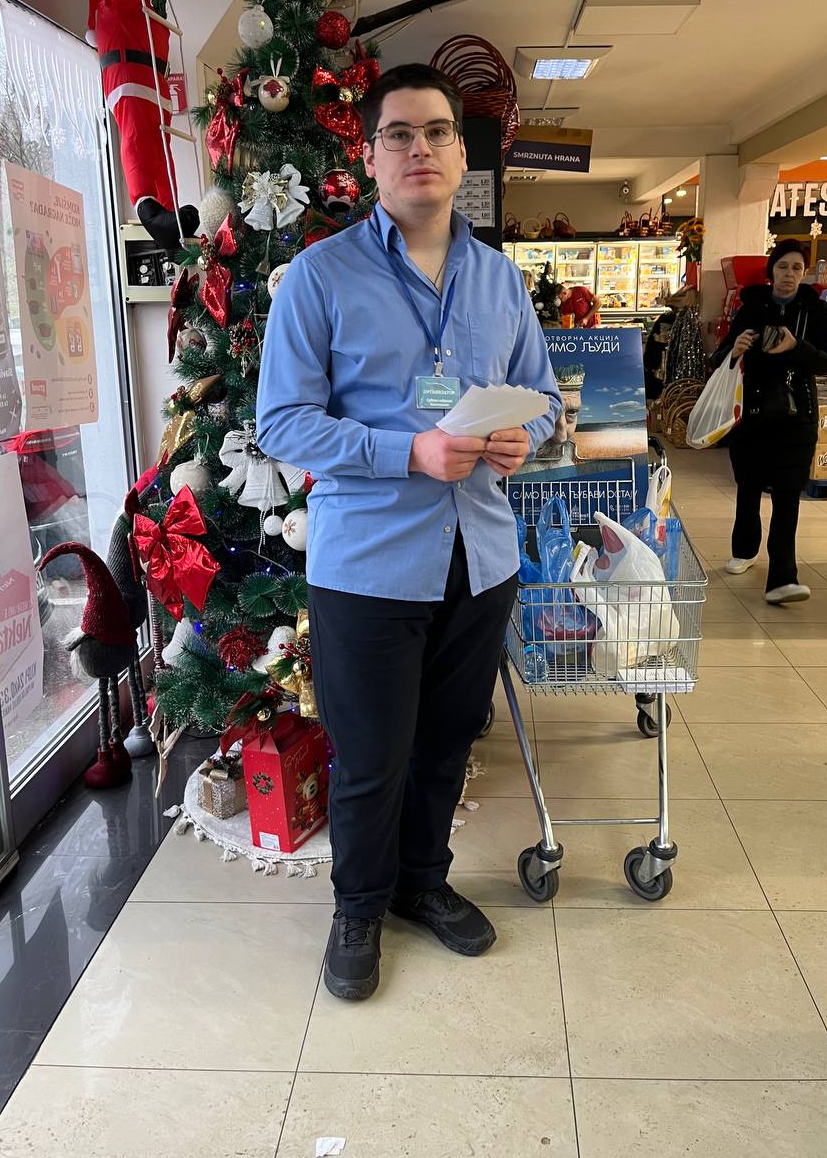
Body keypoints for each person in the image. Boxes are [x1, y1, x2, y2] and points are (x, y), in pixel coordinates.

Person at [256, 64, 561, 1002]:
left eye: (437, 132)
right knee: (372, 753)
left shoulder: (499, 279)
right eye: (399, 133)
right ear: (370, 157)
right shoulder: (320, 277)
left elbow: (545, 397)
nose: (419, 148)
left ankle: (422, 884)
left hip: (481, 557)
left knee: (447, 741)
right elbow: (282, 422)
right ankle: (358, 907)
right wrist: (408, 453)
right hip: (369, 566)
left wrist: (526, 435)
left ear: (462, 155)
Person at [711, 238, 827, 604]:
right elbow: (719, 358)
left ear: (804, 272)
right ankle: (745, 549)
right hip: (750, 415)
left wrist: (796, 346)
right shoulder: (751, 307)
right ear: (771, 271)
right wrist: (733, 350)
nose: (789, 274)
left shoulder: (816, 310)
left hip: (796, 417)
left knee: (787, 496)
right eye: (783, 266)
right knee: (748, 487)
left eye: (797, 268)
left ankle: (783, 577)